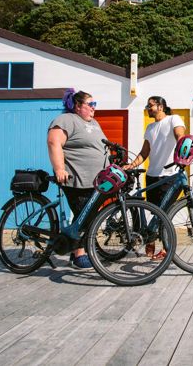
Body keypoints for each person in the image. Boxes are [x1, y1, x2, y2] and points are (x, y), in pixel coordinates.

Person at [47, 89, 107, 269]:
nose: (94, 108)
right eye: (91, 104)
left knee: (89, 215)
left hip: (95, 180)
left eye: (94, 104)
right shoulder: (66, 119)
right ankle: (78, 254)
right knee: (83, 214)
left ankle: (80, 250)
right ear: (78, 106)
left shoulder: (94, 122)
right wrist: (59, 168)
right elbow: (54, 142)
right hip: (77, 178)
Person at [125, 96, 185, 258]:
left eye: (150, 105)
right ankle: (150, 239)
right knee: (154, 211)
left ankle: (166, 249)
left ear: (160, 106)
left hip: (170, 175)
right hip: (152, 175)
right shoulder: (150, 128)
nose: (147, 108)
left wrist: (183, 155)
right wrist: (131, 165)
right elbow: (145, 152)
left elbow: (180, 136)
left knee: (165, 213)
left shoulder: (174, 119)